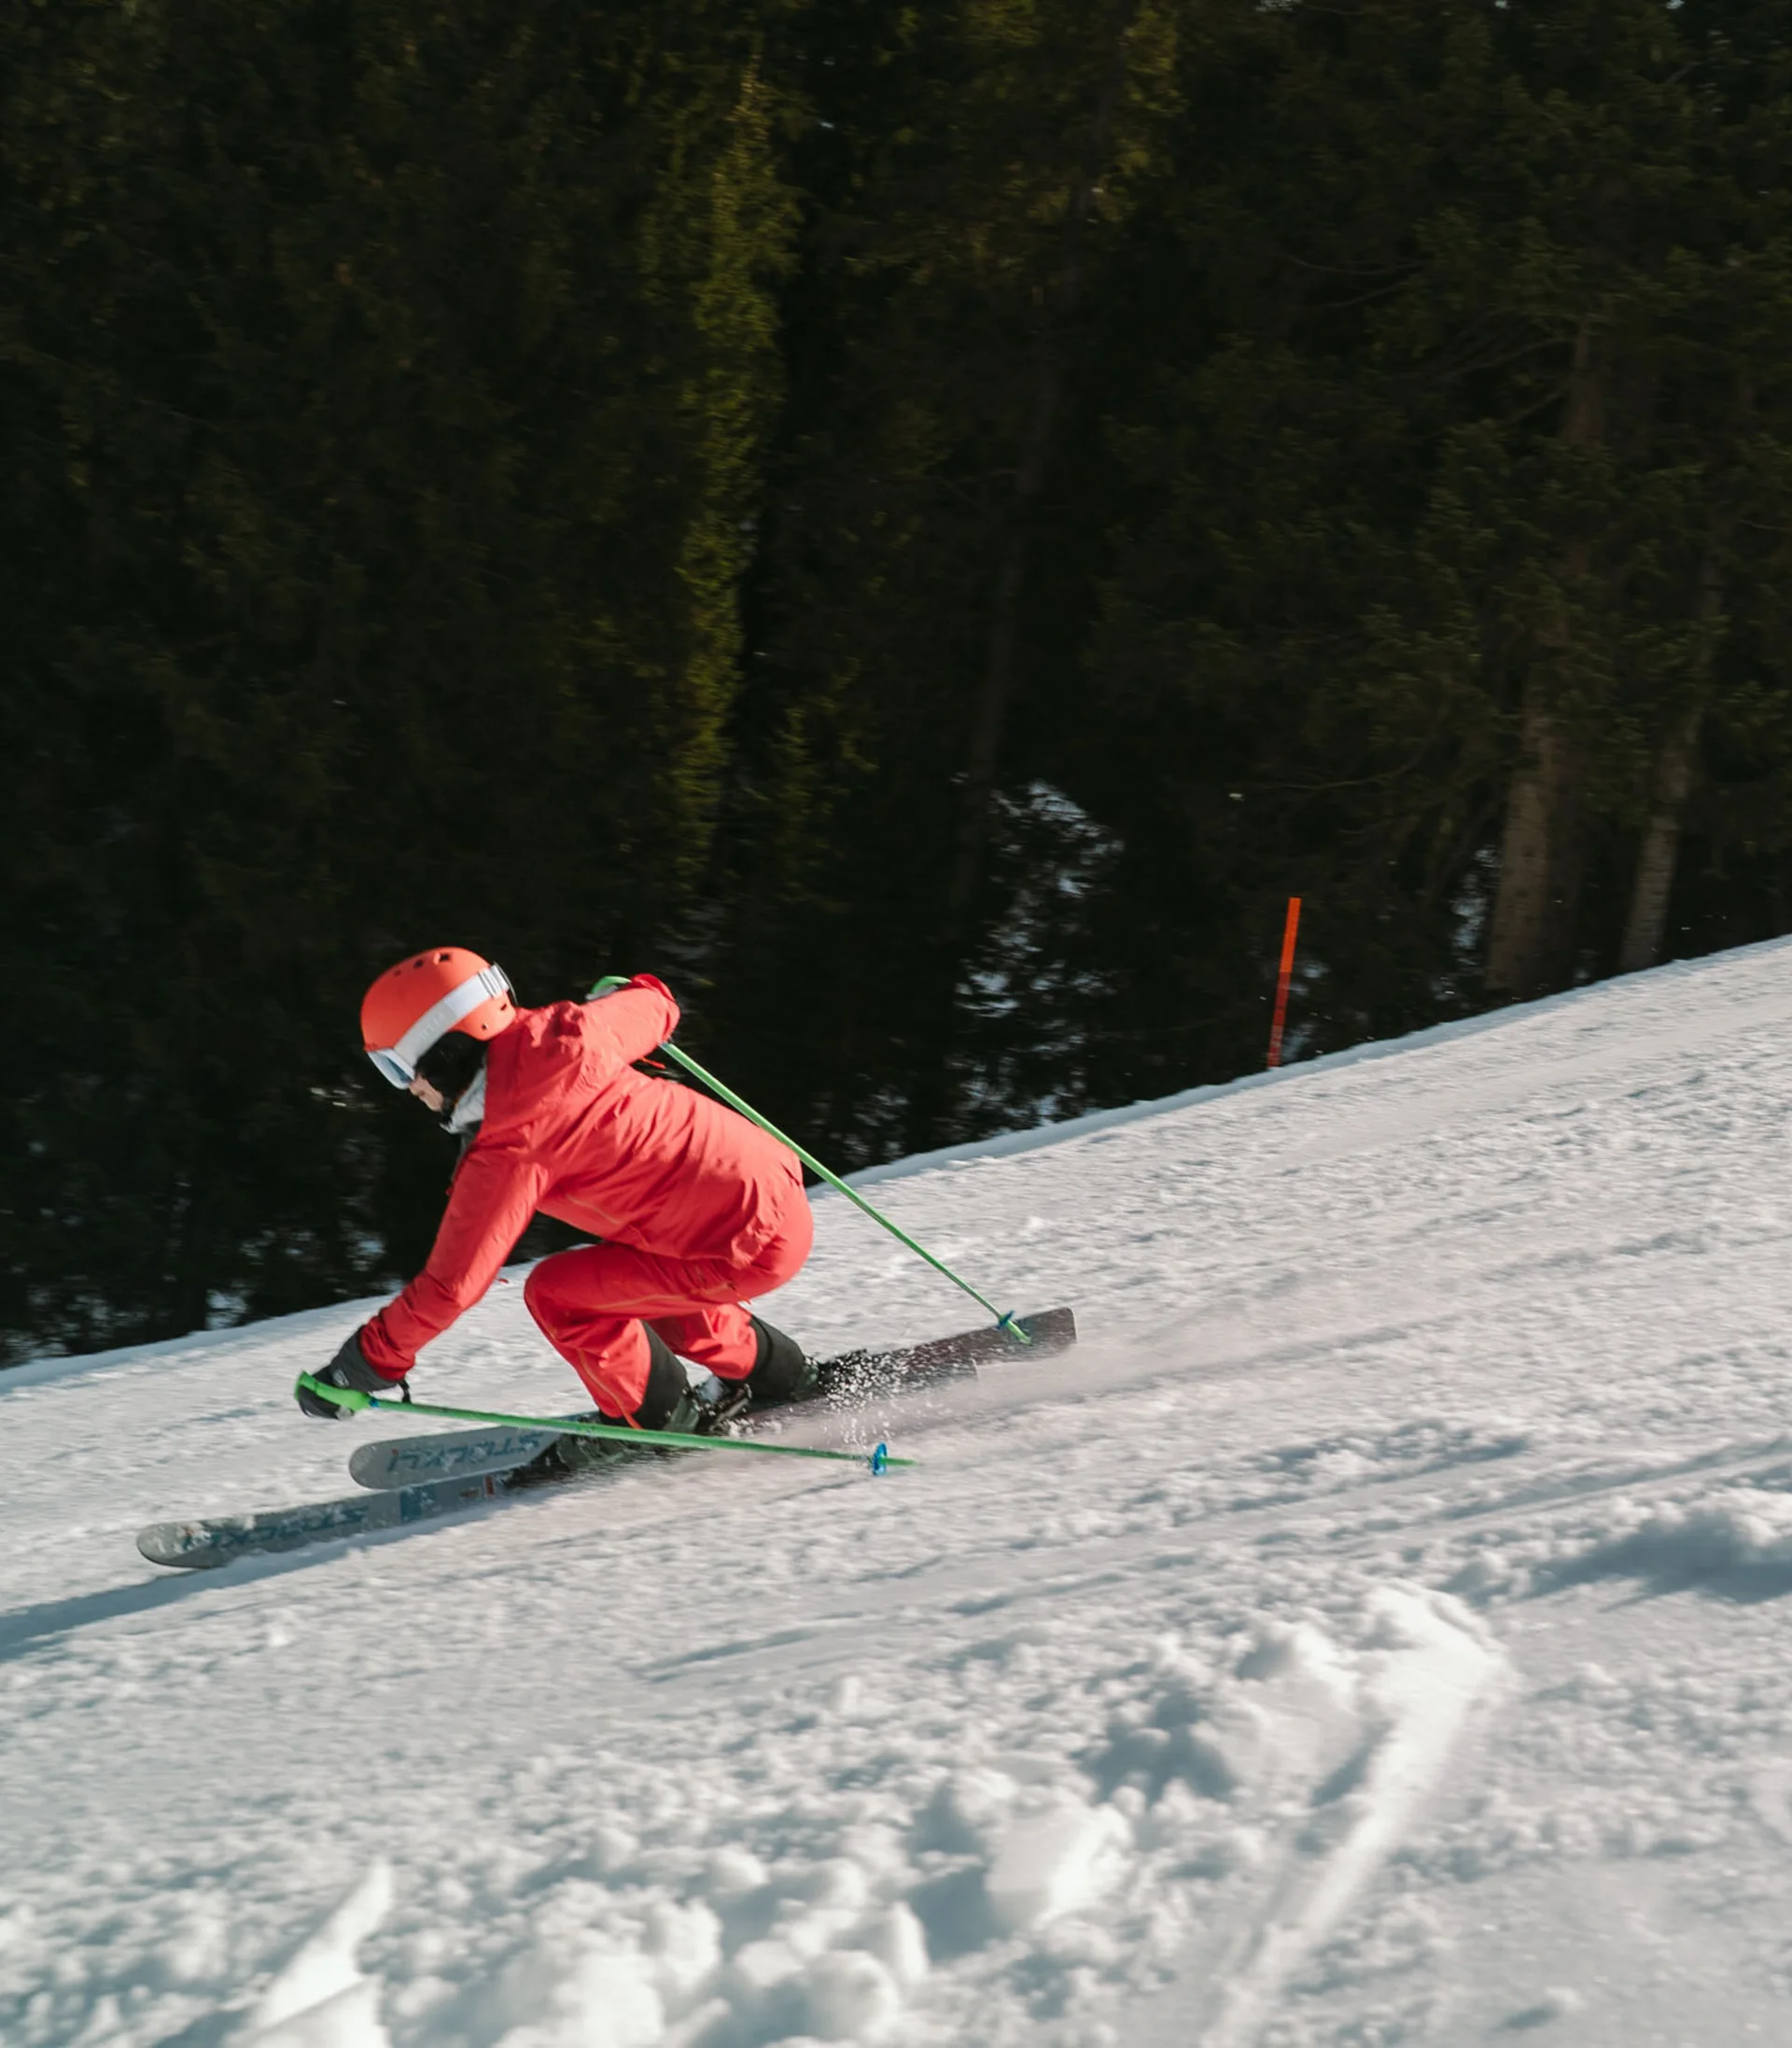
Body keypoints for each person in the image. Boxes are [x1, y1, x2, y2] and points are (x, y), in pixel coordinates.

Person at [298, 947, 816, 1469]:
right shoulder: (566, 1030)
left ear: (445, 1052)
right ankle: (781, 1374)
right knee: (624, 1281)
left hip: (740, 1250)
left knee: (558, 1296)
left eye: (397, 1068)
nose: (408, 1088)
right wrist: (624, 994)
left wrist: (363, 1365)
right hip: (771, 1187)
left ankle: (654, 1420)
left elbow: (451, 1287)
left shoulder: (509, 1147)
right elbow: (660, 1007)